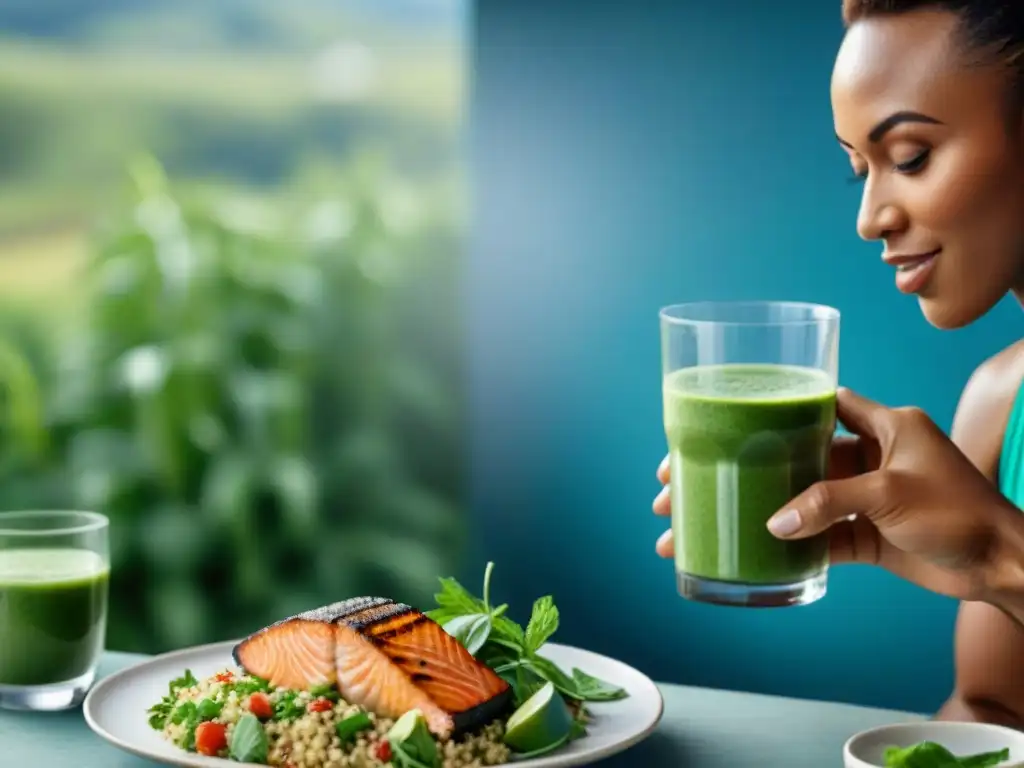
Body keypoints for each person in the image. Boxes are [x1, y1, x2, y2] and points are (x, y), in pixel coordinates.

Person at [652, 0, 1024, 728]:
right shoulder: (1000, 404)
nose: (870, 217)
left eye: (910, 157)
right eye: (860, 171)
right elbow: (993, 711)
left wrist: (997, 551)